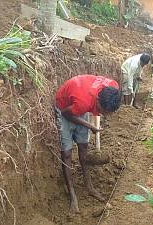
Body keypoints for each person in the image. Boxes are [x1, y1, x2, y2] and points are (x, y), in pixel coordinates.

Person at [55, 74, 121, 214]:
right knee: (67, 153)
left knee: (83, 145)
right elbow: (67, 114)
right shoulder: (83, 102)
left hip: (80, 105)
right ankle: (73, 195)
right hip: (65, 108)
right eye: (103, 112)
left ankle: (89, 185)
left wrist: (92, 121)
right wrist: (89, 126)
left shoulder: (113, 87)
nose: (105, 115)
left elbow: (98, 107)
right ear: (97, 101)